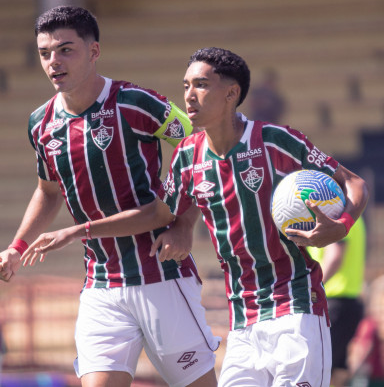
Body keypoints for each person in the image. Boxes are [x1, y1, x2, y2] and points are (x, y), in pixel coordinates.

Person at [21, 47, 369, 386]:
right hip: (243, 321)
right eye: (186, 85)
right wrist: (80, 231)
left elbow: (353, 183)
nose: (189, 95)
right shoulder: (187, 156)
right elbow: (160, 214)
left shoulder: (275, 140)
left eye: (201, 85)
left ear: (231, 93)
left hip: (297, 307)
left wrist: (342, 225)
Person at [0, 6, 220, 387]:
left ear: (94, 51)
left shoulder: (136, 103)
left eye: (66, 50)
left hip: (161, 275)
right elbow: (47, 190)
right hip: (101, 284)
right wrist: (17, 247)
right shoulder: (41, 123)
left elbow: (203, 149)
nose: (54, 61)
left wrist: (184, 223)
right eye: (45, 53)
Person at [308, 217, 367, 387]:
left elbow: (334, 256)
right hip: (348, 303)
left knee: (318, 370)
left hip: (333, 305)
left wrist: (311, 289)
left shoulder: (335, 216)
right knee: (336, 372)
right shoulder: (354, 216)